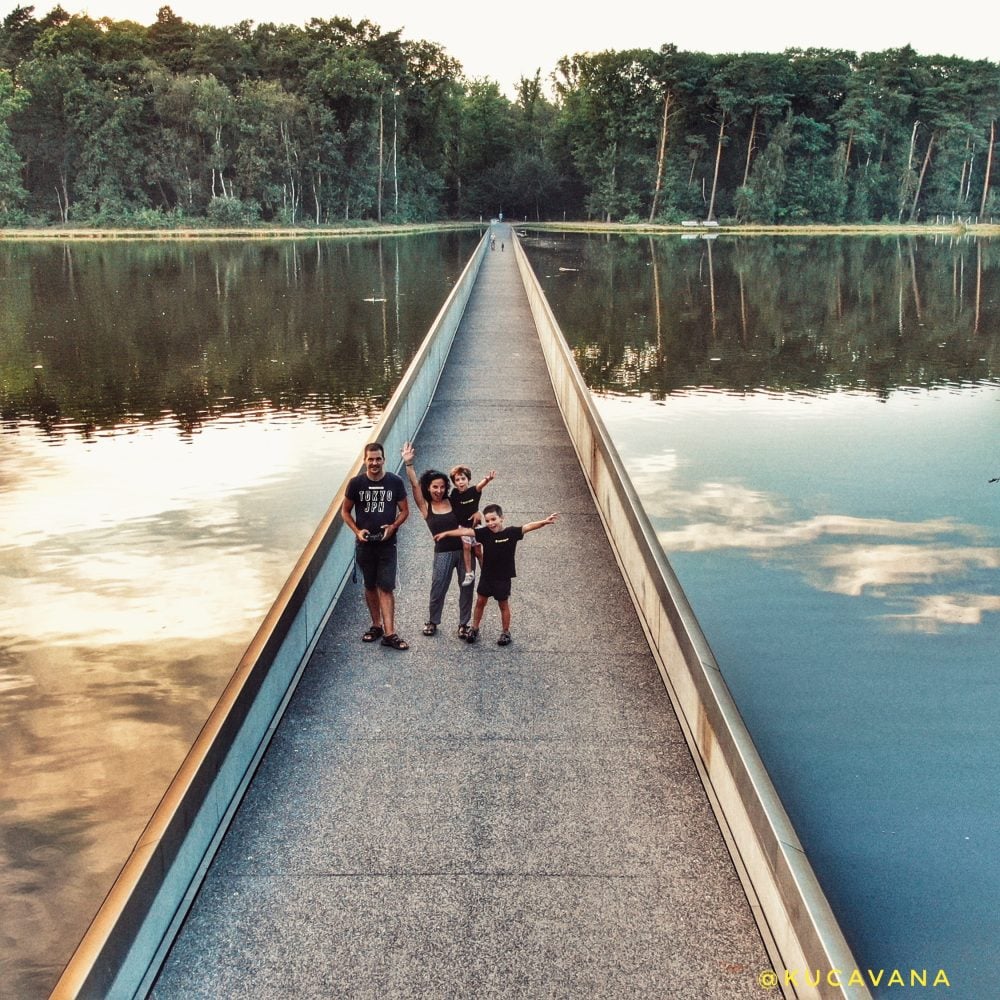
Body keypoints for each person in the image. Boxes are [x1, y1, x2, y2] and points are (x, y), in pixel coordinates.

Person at [436, 504, 558, 647]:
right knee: (480, 602)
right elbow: (467, 531)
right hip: (487, 576)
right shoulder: (485, 533)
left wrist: (544, 522)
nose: (490, 523)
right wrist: (446, 533)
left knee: (503, 605)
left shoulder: (511, 533)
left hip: (503, 578)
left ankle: (506, 632)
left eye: (493, 519)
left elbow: (528, 527)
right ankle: (474, 629)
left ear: (502, 518)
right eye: (487, 521)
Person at [401, 441, 475, 639]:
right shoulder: (426, 508)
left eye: (442, 487)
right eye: (435, 487)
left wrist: (478, 514)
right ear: (429, 487)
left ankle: (464, 624)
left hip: (464, 550)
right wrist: (409, 464)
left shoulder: (453, 501)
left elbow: (471, 502)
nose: (439, 490)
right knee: (438, 587)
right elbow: (415, 486)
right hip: (443, 552)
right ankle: (433, 621)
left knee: (466, 588)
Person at [341, 442, 410, 650]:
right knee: (370, 585)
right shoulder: (355, 484)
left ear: (384, 460)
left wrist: (393, 526)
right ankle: (376, 625)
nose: (374, 463)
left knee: (386, 587)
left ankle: (390, 633)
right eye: (370, 459)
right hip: (365, 544)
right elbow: (345, 511)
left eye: (378, 459)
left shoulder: (395, 482)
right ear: (364, 460)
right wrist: (357, 531)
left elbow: (405, 511)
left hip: (387, 544)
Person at [449, 464, 496, 586]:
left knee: (478, 551)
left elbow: (480, 486)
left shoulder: (473, 492)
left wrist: (488, 479)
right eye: (457, 480)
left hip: (476, 526)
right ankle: (469, 573)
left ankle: (487, 573)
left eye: (463, 479)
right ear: (454, 483)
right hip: (463, 527)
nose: (461, 482)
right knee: (466, 547)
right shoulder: (454, 494)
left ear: (468, 480)